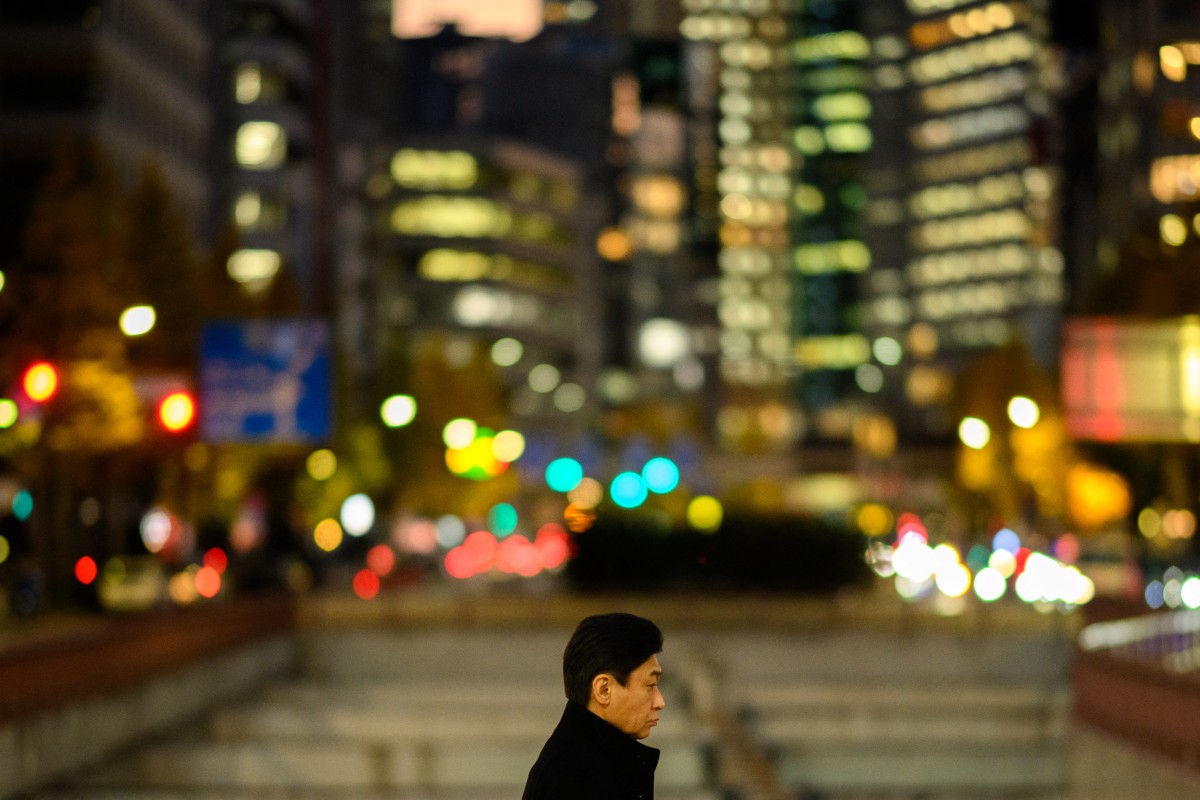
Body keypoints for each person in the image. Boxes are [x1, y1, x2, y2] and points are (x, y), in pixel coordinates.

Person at [522, 612, 666, 800]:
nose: (660, 702)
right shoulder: (573, 778)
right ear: (604, 689)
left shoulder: (584, 764)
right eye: (650, 685)